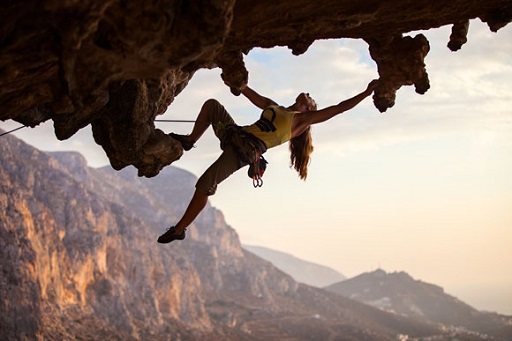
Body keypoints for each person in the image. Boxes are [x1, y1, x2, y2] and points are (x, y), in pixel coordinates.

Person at [157, 79, 379, 243]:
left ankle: (179, 230)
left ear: (310, 108)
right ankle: (190, 140)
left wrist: (367, 92)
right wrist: (235, 80)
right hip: (237, 134)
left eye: (311, 98)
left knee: (205, 184)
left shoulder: (301, 120)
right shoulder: (275, 107)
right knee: (212, 105)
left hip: (245, 151)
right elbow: (249, 92)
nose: (308, 93)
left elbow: (339, 108)